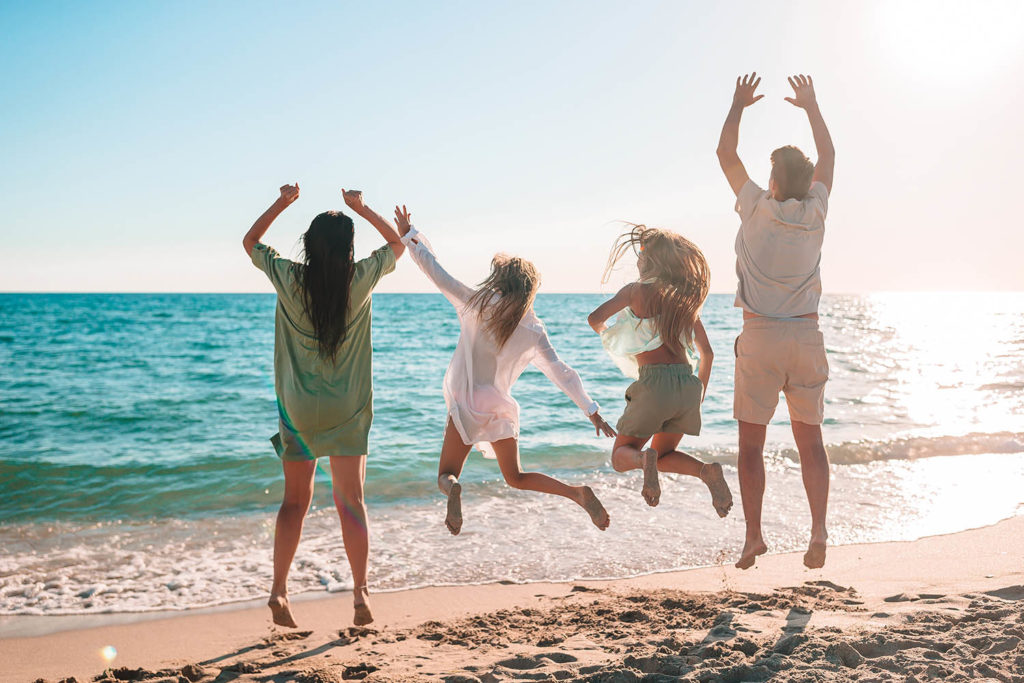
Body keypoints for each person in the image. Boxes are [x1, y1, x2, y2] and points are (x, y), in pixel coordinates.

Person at [391, 205, 615, 535]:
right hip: (499, 407)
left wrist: (410, 236)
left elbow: (437, 272)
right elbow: (562, 372)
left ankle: (453, 489)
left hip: (467, 401)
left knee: (446, 473)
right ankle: (576, 494)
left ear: (500, 280)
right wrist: (592, 411)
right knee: (516, 477)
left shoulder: (475, 303)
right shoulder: (534, 329)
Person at [243, 184, 405, 627]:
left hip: (297, 413)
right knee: (350, 500)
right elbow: (398, 244)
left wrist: (281, 202)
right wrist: (362, 207)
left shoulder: (290, 277)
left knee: (294, 502)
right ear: (349, 248)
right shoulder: (361, 279)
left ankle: (278, 592)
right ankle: (360, 595)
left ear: (309, 246)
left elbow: (250, 242)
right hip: (349, 411)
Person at [715, 73, 835, 570]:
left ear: (775, 181)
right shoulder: (816, 212)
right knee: (811, 440)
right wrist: (811, 107)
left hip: (761, 335)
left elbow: (725, 154)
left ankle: (753, 537)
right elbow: (829, 156)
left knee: (751, 445)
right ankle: (820, 529)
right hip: (806, 335)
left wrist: (738, 104)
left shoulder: (757, 208)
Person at [588, 225, 732, 516]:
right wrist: (698, 394)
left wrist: (617, 335)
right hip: (687, 386)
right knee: (665, 454)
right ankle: (707, 472)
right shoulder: (685, 301)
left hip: (654, 385)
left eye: (641, 256)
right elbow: (708, 353)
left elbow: (595, 319)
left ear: (648, 262)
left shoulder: (634, 292)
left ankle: (643, 460)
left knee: (620, 457)